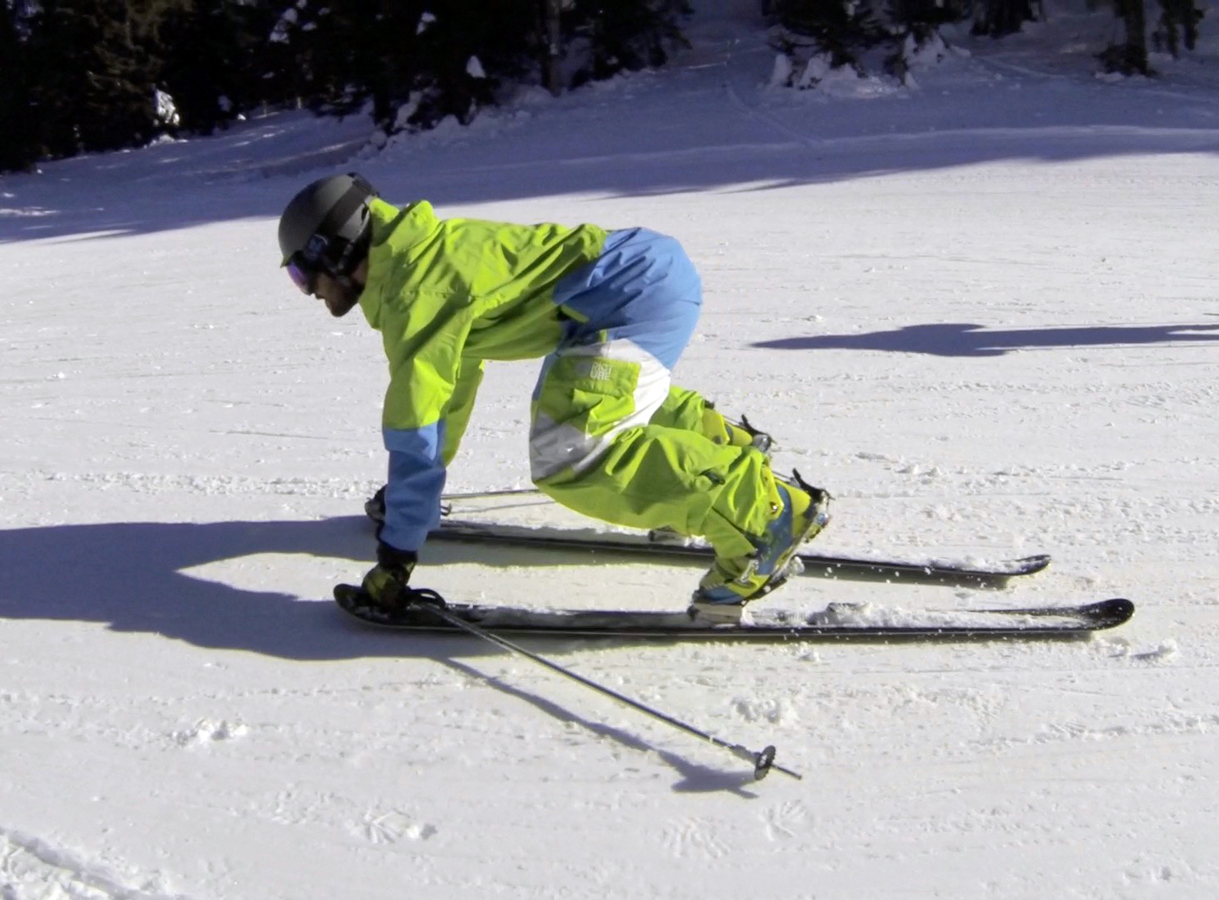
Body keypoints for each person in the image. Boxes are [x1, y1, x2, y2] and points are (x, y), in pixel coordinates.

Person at [278, 173, 830, 625]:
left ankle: (764, 516)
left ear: (336, 249)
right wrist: (409, 503)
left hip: (629, 295)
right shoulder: (421, 262)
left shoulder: (415, 293)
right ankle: (718, 443)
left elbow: (415, 424)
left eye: (303, 274)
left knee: (570, 455)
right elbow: (447, 398)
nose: (308, 291)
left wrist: (398, 555)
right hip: (633, 280)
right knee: (581, 401)